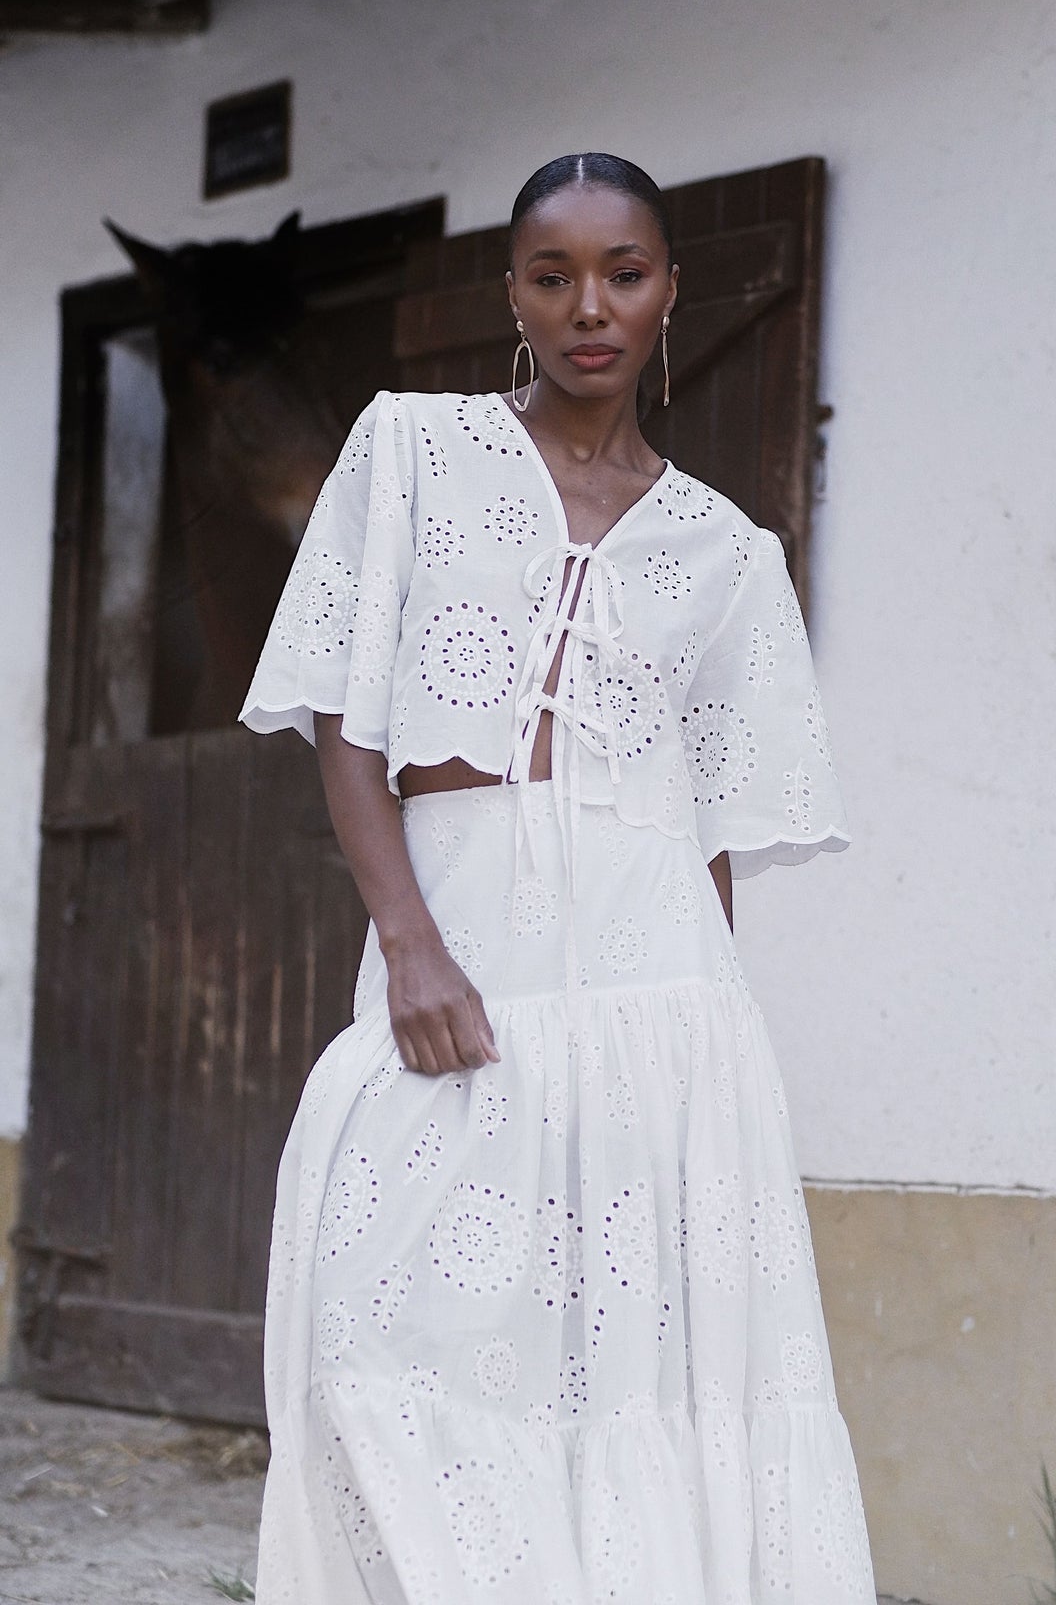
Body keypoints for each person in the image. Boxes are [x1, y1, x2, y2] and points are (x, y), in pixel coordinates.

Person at [239, 152, 876, 1603]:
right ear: (511, 294)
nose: (590, 306)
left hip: (660, 986)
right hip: (459, 941)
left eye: (625, 273)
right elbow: (350, 725)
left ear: (669, 293)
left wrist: (698, 1077)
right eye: (553, 275)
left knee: (633, 1369)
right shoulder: (409, 451)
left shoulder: (726, 551)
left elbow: (713, 832)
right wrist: (406, 938)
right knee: (374, 1338)